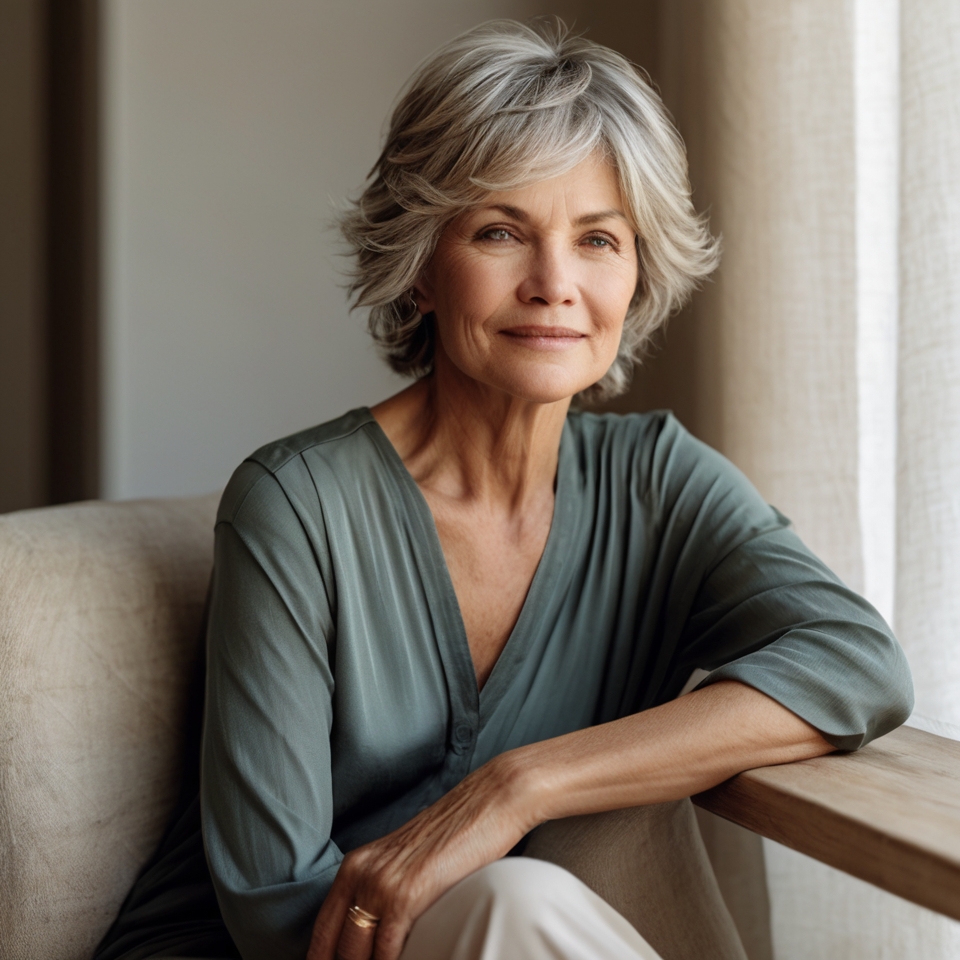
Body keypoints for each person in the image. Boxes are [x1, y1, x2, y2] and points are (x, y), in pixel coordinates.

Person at [93, 18, 913, 960]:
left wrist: (521, 786)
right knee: (515, 904)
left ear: (637, 269)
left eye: (598, 239)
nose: (555, 284)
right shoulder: (296, 505)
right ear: (422, 270)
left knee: (543, 877)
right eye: (499, 232)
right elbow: (274, 907)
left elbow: (859, 662)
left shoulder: (658, 482)